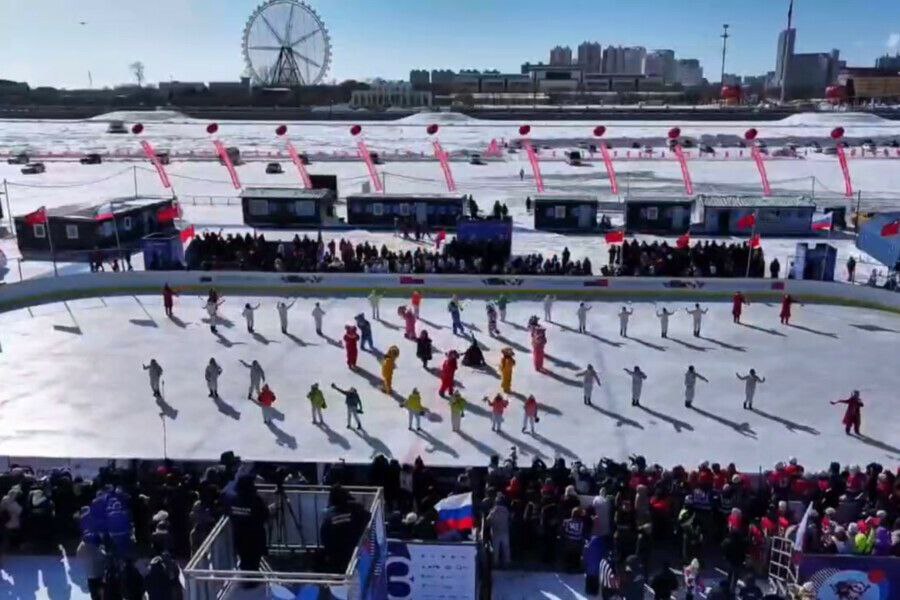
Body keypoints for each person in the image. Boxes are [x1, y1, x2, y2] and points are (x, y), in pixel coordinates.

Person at [228, 474, 269, 575]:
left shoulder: (233, 500)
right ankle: (252, 580)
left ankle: (247, 578)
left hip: (239, 536)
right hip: (254, 536)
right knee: (254, 560)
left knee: (244, 558)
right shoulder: (255, 500)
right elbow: (264, 515)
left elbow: (230, 514)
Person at [487, 494, 511, 566]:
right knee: (506, 548)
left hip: (496, 532)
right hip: (505, 531)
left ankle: (495, 563)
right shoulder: (506, 511)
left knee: (496, 549)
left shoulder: (493, 511)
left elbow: (488, 520)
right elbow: (509, 520)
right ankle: (507, 562)